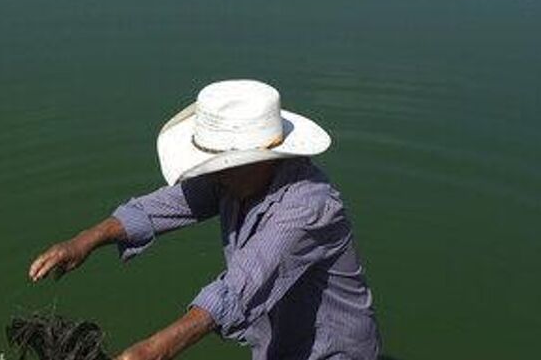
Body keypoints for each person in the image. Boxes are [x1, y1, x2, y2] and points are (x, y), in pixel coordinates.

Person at [28, 80, 380, 360]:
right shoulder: (232, 182)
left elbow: (240, 287)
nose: (214, 176)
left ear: (261, 159)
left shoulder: (307, 207)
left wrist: (156, 349)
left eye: (222, 166)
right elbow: (160, 207)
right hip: (274, 343)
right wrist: (86, 240)